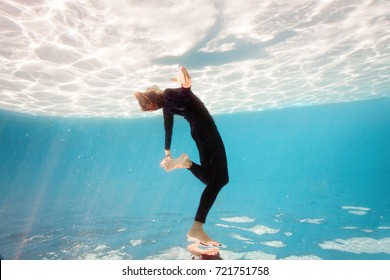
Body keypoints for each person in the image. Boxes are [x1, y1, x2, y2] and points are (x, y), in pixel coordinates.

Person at [134, 66, 229, 246]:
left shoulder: (167, 104)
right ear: (153, 94)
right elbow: (184, 96)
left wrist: (168, 153)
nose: (149, 86)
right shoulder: (169, 94)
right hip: (206, 132)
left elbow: (168, 127)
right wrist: (186, 85)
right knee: (221, 178)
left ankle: (187, 163)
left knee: (211, 179)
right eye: (148, 89)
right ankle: (197, 227)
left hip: (199, 133)